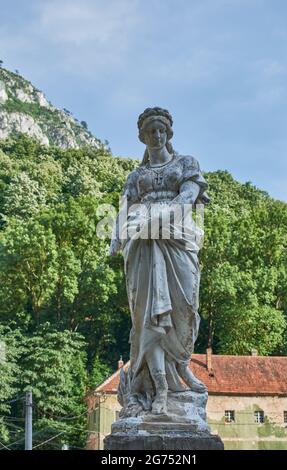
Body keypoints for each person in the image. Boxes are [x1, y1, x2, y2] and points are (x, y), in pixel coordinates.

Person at [110, 107, 209, 415]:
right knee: (148, 318)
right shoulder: (136, 176)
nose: (156, 135)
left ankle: (182, 365)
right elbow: (124, 211)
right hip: (142, 245)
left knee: (185, 310)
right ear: (142, 137)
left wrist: (154, 219)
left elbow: (187, 199)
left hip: (177, 237)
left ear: (169, 133)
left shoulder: (186, 163)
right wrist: (116, 239)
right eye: (150, 131)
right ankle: (159, 389)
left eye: (161, 130)